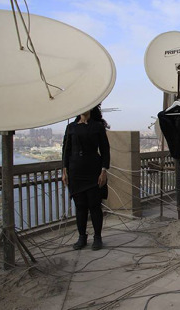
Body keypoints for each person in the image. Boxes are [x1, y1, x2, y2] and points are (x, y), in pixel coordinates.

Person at [62, 104, 110, 251]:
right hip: (75, 171)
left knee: (95, 206)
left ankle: (97, 237)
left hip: (93, 171)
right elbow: (65, 150)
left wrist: (103, 170)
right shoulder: (71, 127)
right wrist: (64, 170)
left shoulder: (97, 126)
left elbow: (105, 149)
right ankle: (82, 237)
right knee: (80, 207)